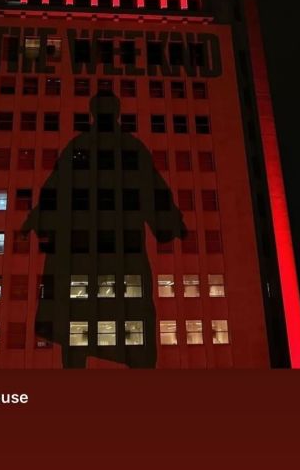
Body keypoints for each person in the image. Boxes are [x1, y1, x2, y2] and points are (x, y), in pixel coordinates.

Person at [22, 92, 187, 368]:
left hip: (108, 252)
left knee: (106, 323)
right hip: (96, 252)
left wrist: (39, 221)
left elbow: (152, 191)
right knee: (84, 325)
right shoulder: (107, 149)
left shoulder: (93, 148)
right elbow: (54, 191)